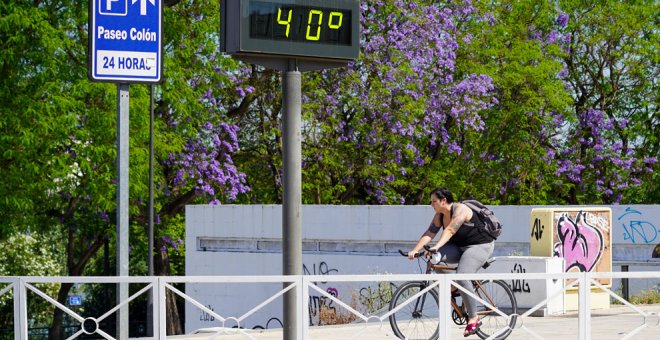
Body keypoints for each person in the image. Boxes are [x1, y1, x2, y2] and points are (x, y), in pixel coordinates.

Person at [407, 187, 495, 337]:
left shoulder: (461, 210)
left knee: (462, 275)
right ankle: (454, 287)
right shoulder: (439, 215)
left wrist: (436, 246)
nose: (431, 204)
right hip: (459, 247)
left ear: (443, 200)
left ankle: (473, 317)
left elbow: (451, 231)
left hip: (479, 246)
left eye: (433, 201)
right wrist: (415, 250)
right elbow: (429, 233)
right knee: (433, 258)